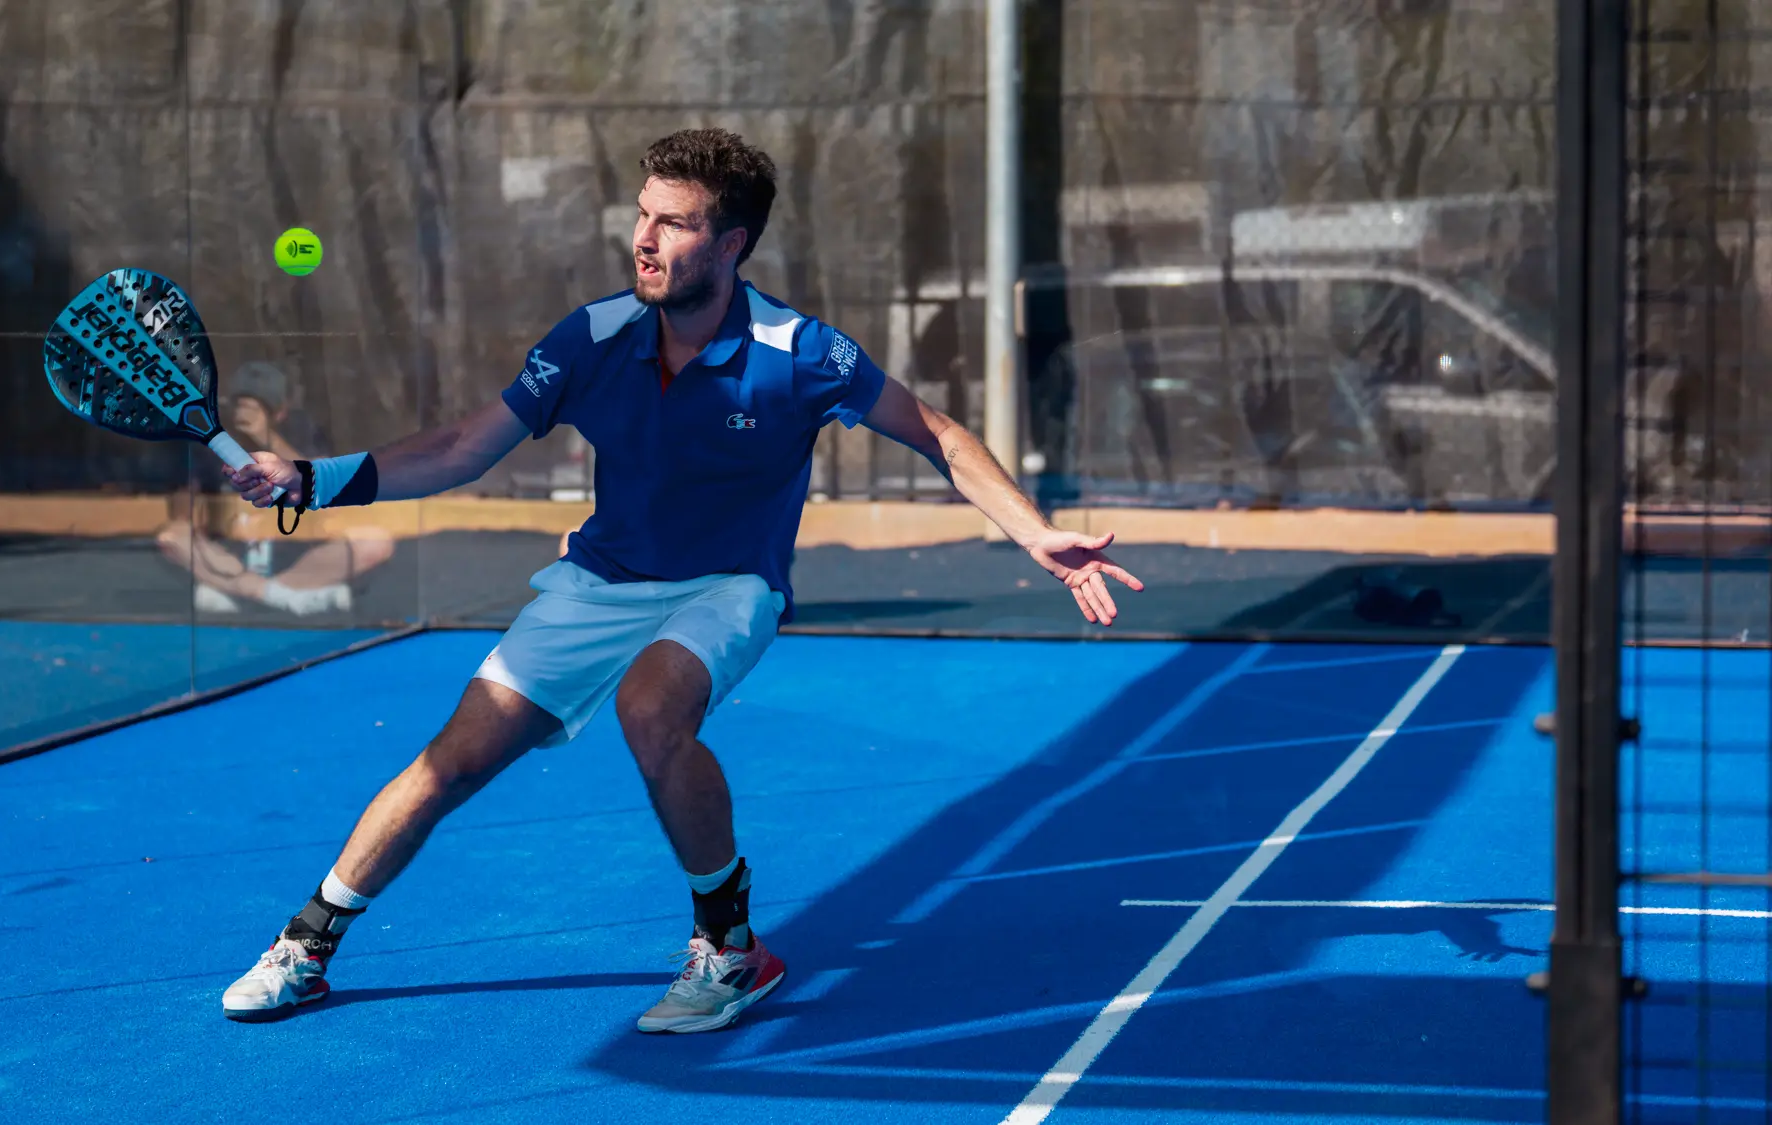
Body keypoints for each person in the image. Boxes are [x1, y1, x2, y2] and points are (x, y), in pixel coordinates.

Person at [216, 129, 1144, 1031]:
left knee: (650, 708)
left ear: (730, 244)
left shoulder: (800, 352)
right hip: (598, 580)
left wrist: (1033, 533)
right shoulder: (591, 336)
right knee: (449, 761)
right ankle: (307, 943)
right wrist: (313, 479)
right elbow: (463, 447)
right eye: (642, 215)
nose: (645, 239)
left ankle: (730, 946)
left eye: (675, 222)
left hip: (729, 584)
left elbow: (936, 432)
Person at [154, 360, 395, 617]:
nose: (245, 415)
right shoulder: (211, 443)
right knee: (173, 536)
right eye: (240, 406)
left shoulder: (302, 434)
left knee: (374, 540)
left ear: (280, 413)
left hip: (296, 557)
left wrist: (267, 438)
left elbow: (324, 490)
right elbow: (183, 511)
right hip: (230, 557)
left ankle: (244, 596)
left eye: (258, 408)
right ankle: (278, 597)